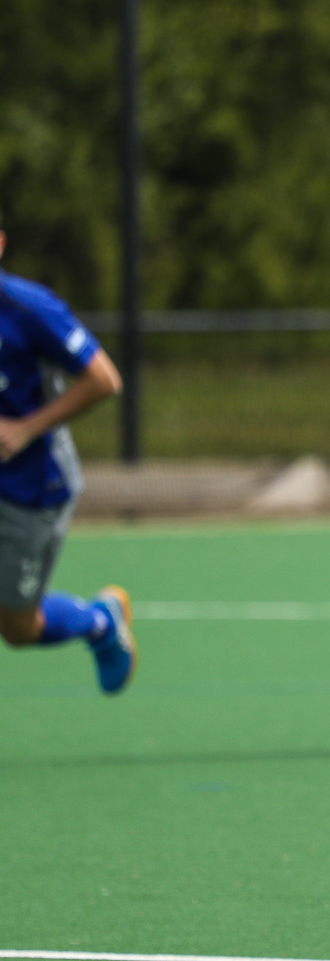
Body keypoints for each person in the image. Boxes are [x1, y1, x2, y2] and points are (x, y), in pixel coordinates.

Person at [0, 209, 135, 693]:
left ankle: (100, 622)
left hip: (30, 489)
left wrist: (26, 428)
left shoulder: (29, 309)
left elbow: (104, 380)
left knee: (18, 629)